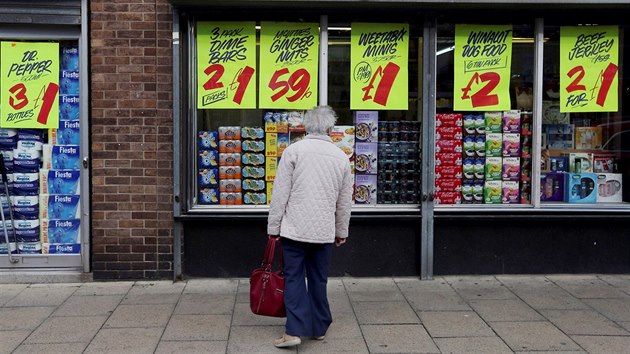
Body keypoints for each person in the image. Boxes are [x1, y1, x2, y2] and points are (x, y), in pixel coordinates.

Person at [267, 105, 353, 348]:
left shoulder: (294, 151)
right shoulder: (341, 158)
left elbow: (280, 194)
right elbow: (344, 201)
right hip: (323, 231)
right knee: (319, 278)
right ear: (330, 128)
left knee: (293, 277)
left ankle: (293, 331)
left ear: (305, 127)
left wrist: (273, 227)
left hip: (294, 228)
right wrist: (341, 231)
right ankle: (319, 328)